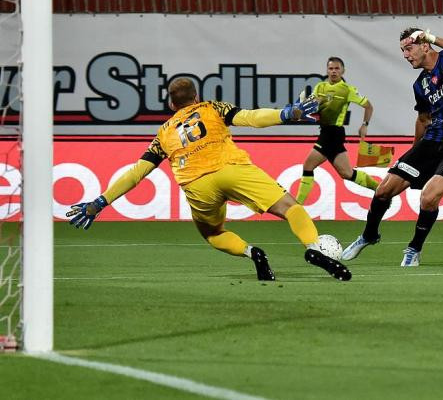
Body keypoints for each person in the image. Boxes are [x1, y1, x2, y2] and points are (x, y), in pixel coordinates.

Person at [67, 77, 351, 281]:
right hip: (231, 168)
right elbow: (251, 118)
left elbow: (137, 172)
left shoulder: (163, 133)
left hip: (196, 184)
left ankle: (252, 252)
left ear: (171, 104)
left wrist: (100, 202)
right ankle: (313, 248)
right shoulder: (212, 108)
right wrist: (286, 114)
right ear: (196, 97)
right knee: (290, 207)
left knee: (213, 234)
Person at [341, 28, 443, 266]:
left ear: (424, 46)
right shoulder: (420, 84)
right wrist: (413, 152)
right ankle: (369, 235)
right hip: (432, 142)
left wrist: (432, 37)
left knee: (429, 198)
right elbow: (423, 119)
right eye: (402, 50)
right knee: (383, 190)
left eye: (409, 48)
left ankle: (414, 249)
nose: (405, 55)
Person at [295, 56, 378, 204]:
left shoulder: (347, 90)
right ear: (327, 71)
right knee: (347, 173)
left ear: (343, 71)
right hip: (326, 131)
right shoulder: (320, 87)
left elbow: (368, 106)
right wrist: (303, 111)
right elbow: (313, 106)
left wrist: (364, 124)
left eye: (337, 68)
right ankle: (380, 189)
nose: (333, 71)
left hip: (333, 133)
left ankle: (297, 205)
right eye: (331, 68)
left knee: (308, 166)